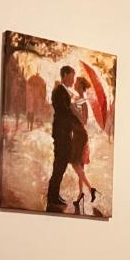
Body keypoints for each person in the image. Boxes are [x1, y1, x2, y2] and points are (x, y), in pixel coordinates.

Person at [47, 65, 79, 210]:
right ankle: (52, 197)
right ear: (65, 75)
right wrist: (75, 113)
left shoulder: (62, 91)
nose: (73, 79)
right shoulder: (60, 91)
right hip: (61, 134)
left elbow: (64, 110)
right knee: (59, 165)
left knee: (61, 165)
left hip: (63, 133)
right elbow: (63, 112)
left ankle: (54, 194)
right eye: (72, 76)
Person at [70, 76, 97, 211]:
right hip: (77, 134)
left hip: (80, 135)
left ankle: (90, 188)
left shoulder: (83, 102)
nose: (74, 84)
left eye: (76, 83)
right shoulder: (76, 100)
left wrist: (73, 109)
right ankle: (80, 194)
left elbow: (84, 121)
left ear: (80, 86)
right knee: (80, 165)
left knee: (75, 163)